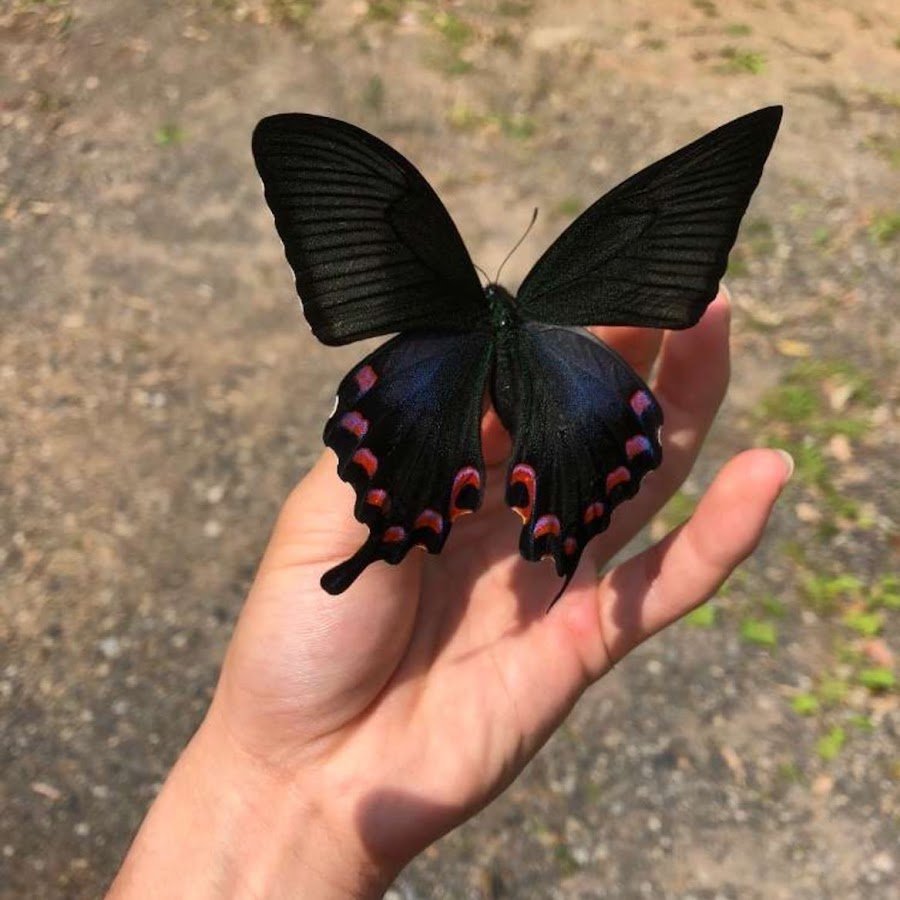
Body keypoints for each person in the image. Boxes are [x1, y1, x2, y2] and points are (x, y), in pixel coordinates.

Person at [107, 288, 792, 898]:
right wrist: (281, 775)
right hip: (508, 379)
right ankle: (528, 512)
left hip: (449, 368)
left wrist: (280, 785)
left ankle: (501, 511)